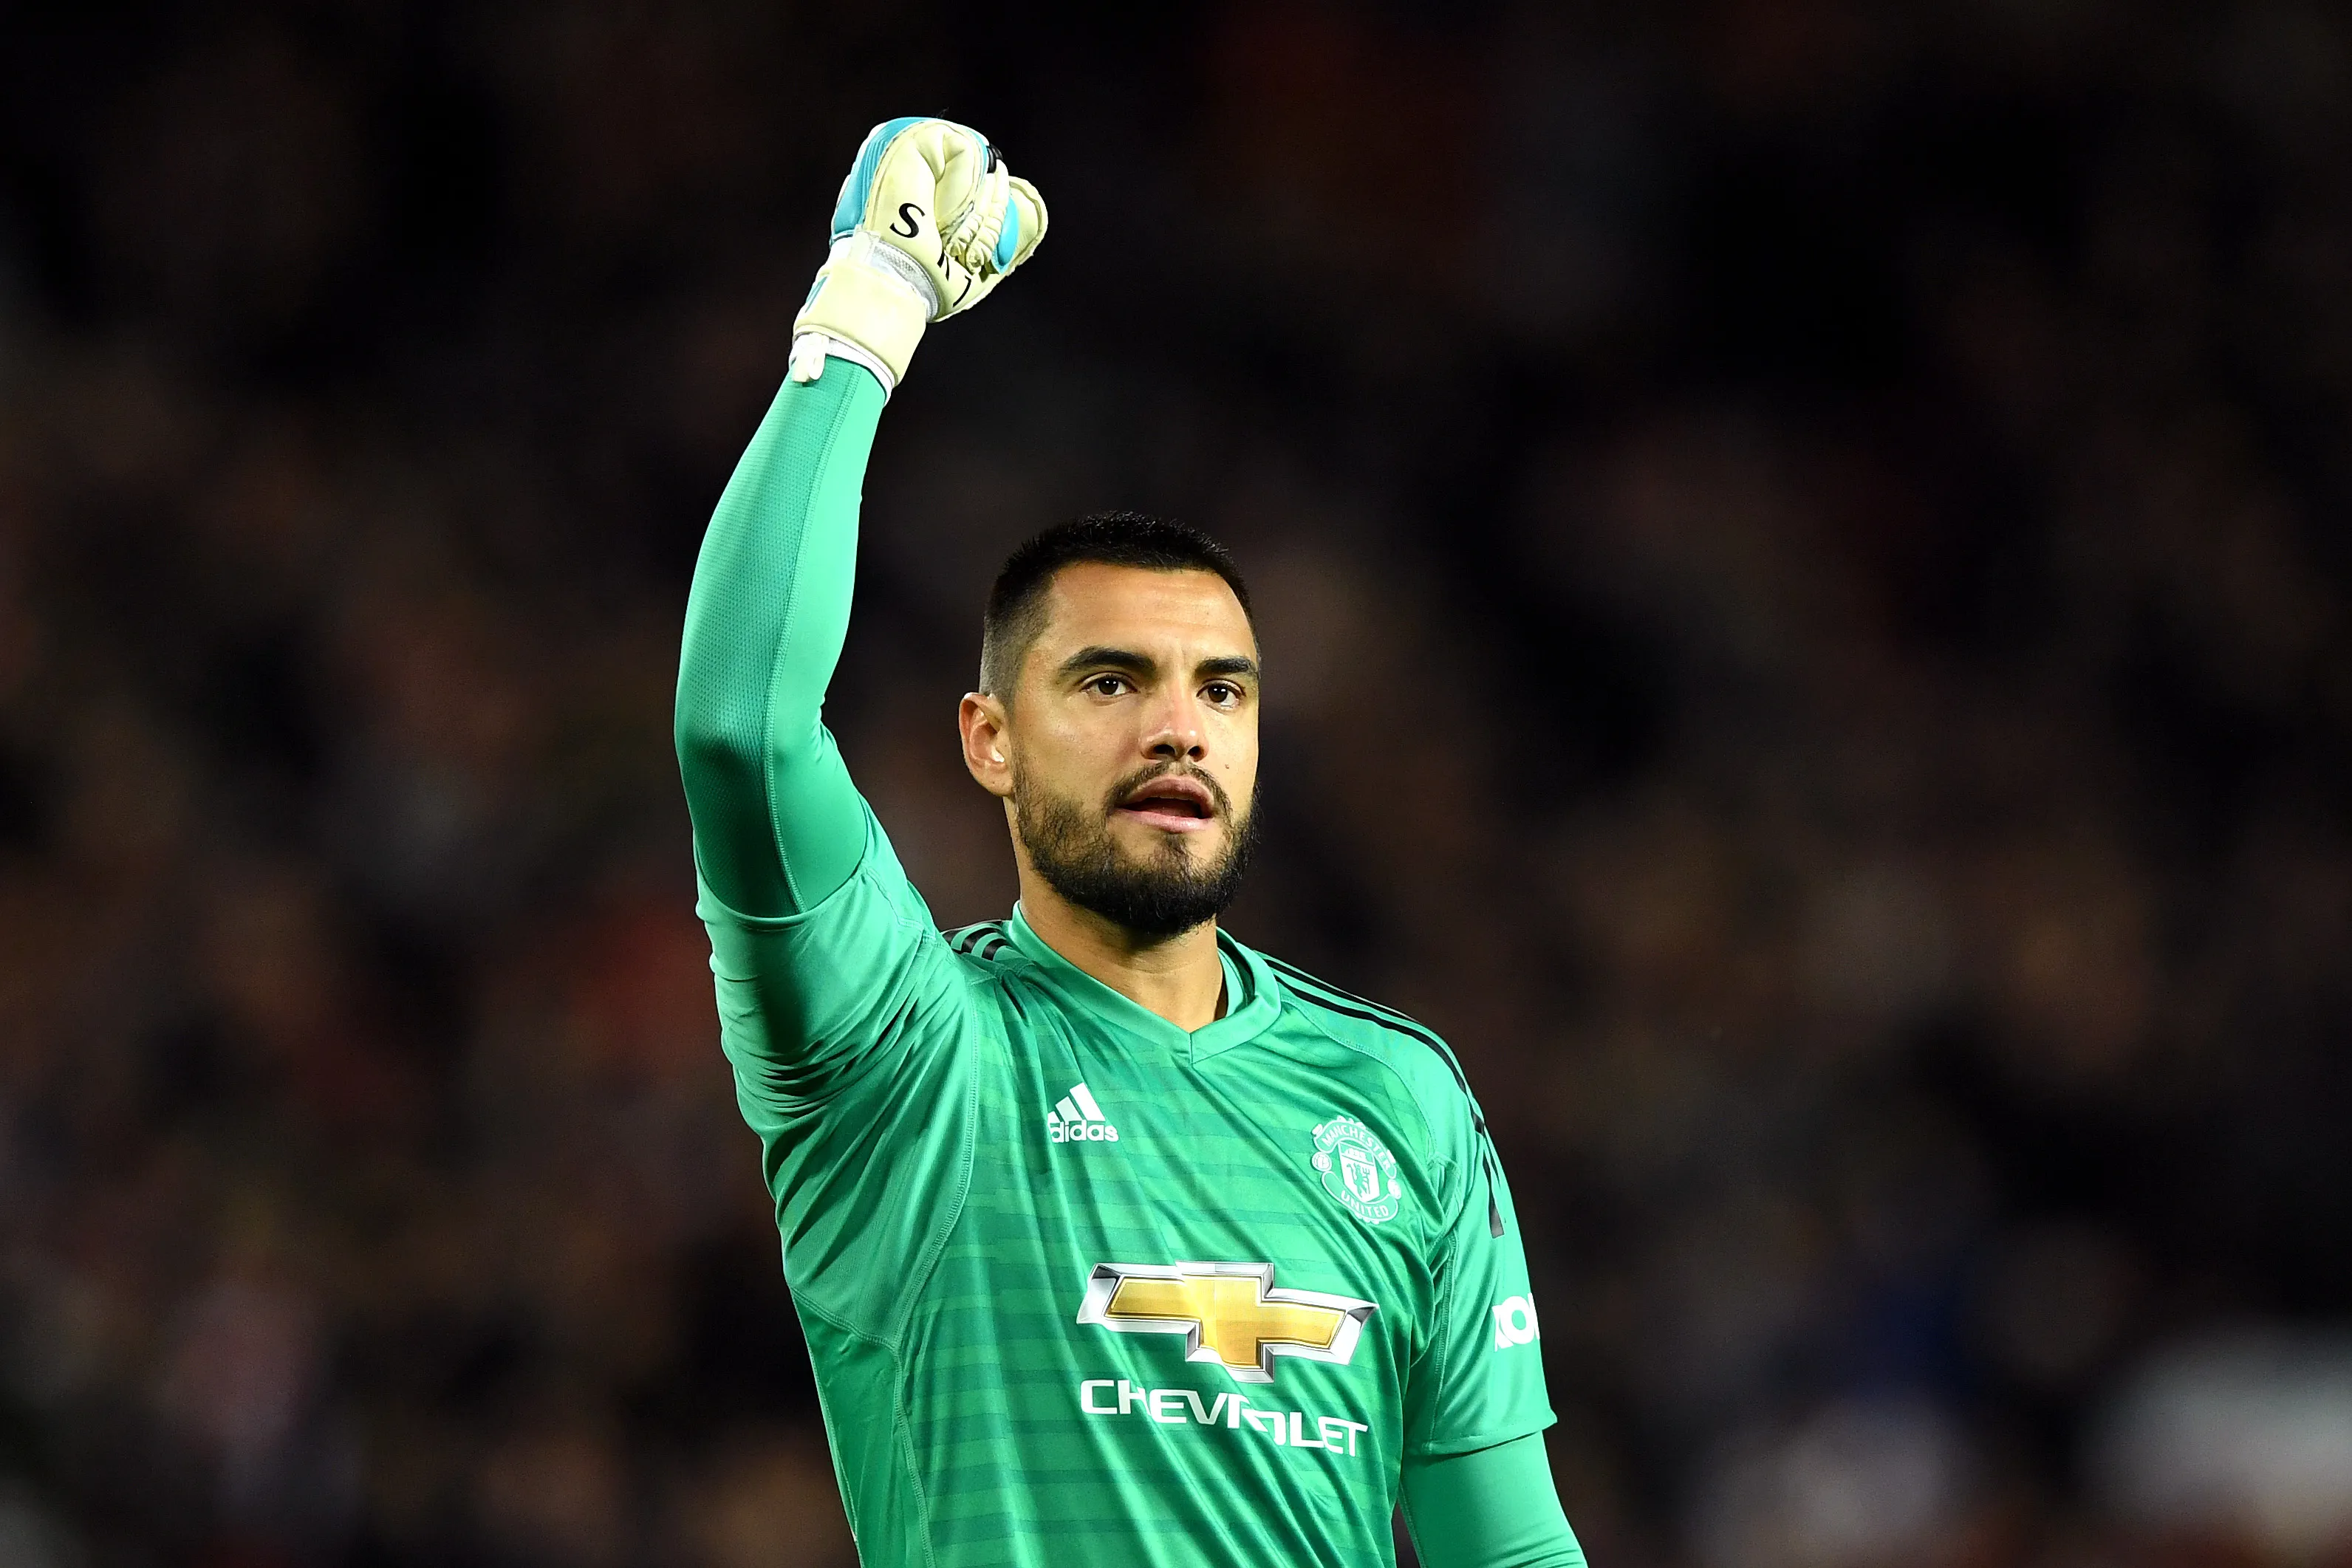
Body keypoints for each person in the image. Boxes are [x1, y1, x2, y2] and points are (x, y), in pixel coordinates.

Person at [674, 117, 1584, 1568]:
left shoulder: (1396, 1096)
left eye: (1219, 688)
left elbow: (1509, 1543)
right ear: (988, 737)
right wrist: (868, 306)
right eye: (1109, 681)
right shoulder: (905, 1055)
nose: (1179, 727)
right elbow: (739, 726)